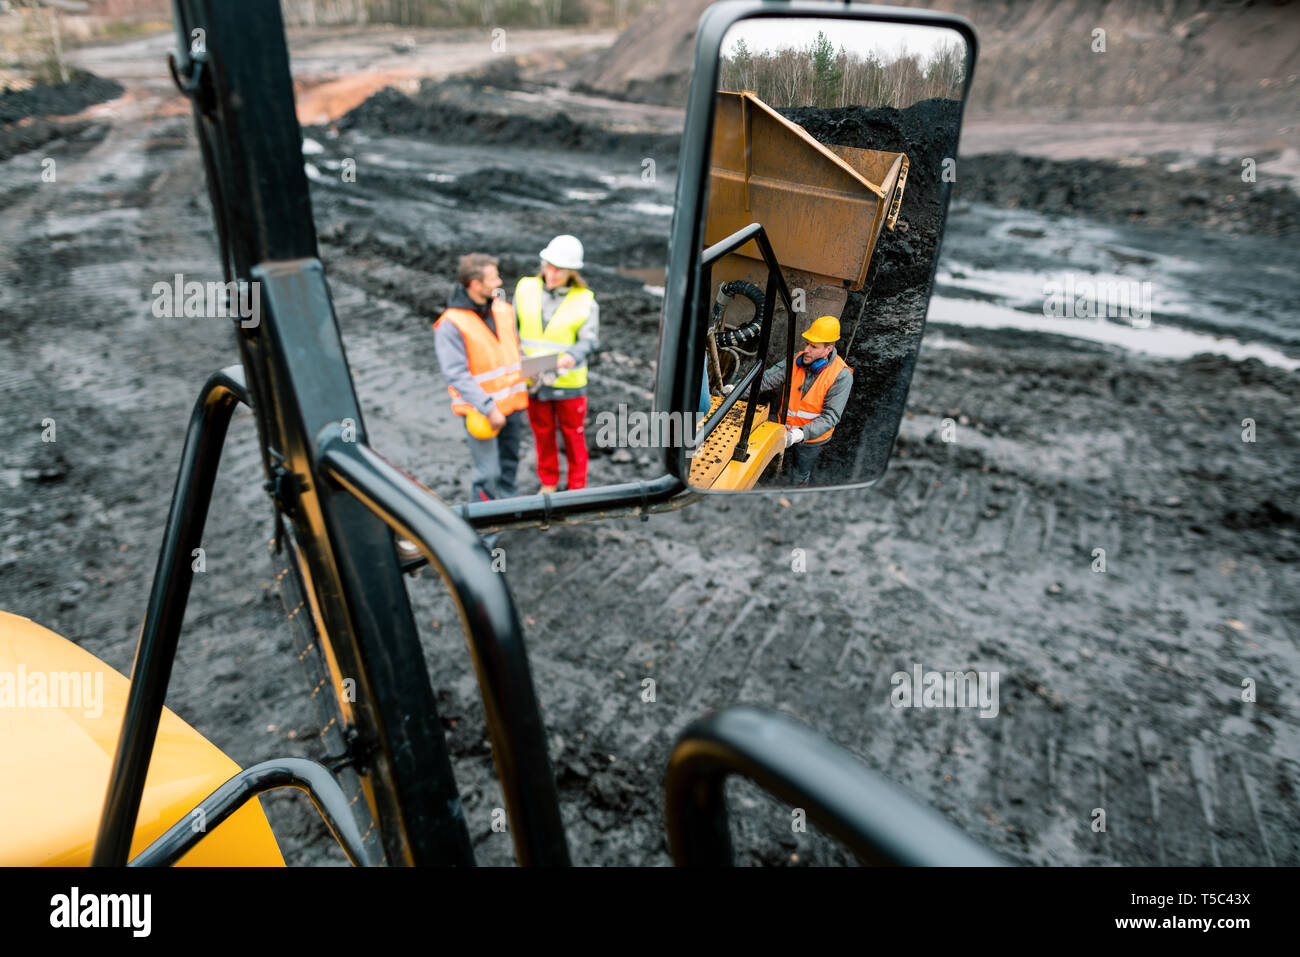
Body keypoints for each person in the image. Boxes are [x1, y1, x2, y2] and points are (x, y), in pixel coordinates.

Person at [433, 253, 529, 509]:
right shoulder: (451, 325)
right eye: (493, 277)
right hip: (481, 411)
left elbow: (514, 352)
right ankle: (486, 529)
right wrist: (488, 407)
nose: (499, 281)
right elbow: (456, 374)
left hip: (512, 406)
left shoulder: (504, 310)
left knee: (510, 464)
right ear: (475, 284)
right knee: (487, 472)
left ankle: (511, 511)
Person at [514, 234, 599, 492]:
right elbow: (513, 330)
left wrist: (573, 354)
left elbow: (590, 339)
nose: (552, 274)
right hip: (533, 379)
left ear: (572, 272)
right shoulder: (525, 288)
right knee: (543, 434)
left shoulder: (585, 300)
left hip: (568, 381)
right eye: (549, 266)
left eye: (559, 270)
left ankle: (576, 489)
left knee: (573, 437)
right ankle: (548, 482)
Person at [756, 314, 853, 487]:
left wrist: (799, 434)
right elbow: (765, 380)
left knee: (798, 474)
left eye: (813, 346)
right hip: (782, 426)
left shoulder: (841, 375)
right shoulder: (796, 360)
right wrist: (735, 390)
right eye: (807, 343)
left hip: (811, 440)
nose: (806, 349)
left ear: (828, 349)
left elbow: (830, 417)